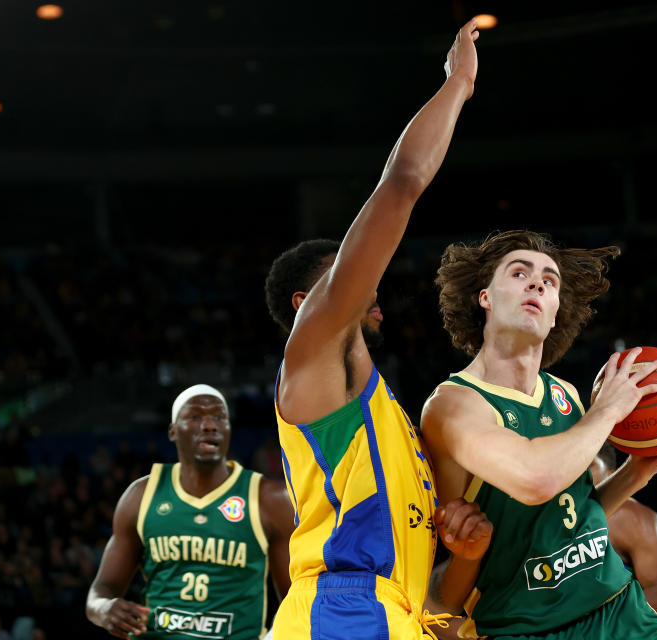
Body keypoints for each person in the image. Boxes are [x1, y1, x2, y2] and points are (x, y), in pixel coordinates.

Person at [263, 18, 489, 640]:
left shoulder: (387, 418)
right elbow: (402, 184)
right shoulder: (313, 351)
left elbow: (418, 575)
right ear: (309, 300)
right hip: (342, 608)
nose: (373, 283)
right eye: (348, 274)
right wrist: (457, 86)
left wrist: (462, 549)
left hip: (392, 613)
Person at [421, 230, 657, 639]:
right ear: (485, 297)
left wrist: (638, 471)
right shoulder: (454, 405)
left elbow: (572, 516)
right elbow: (536, 481)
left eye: (549, 281)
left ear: (554, 312)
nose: (537, 282)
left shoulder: (564, 393)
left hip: (619, 609)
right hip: (530, 627)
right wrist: (606, 411)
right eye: (519, 273)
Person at [86, 384, 295, 640]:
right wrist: (104, 608)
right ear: (173, 431)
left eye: (219, 417)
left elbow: (296, 598)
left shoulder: (268, 499)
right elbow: (101, 590)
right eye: (195, 417)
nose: (209, 425)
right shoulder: (141, 495)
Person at [590, 443, 657, 640]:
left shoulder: (625, 516)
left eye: (588, 467)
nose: (577, 477)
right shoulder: (548, 524)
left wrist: (592, 618)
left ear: (614, 476)